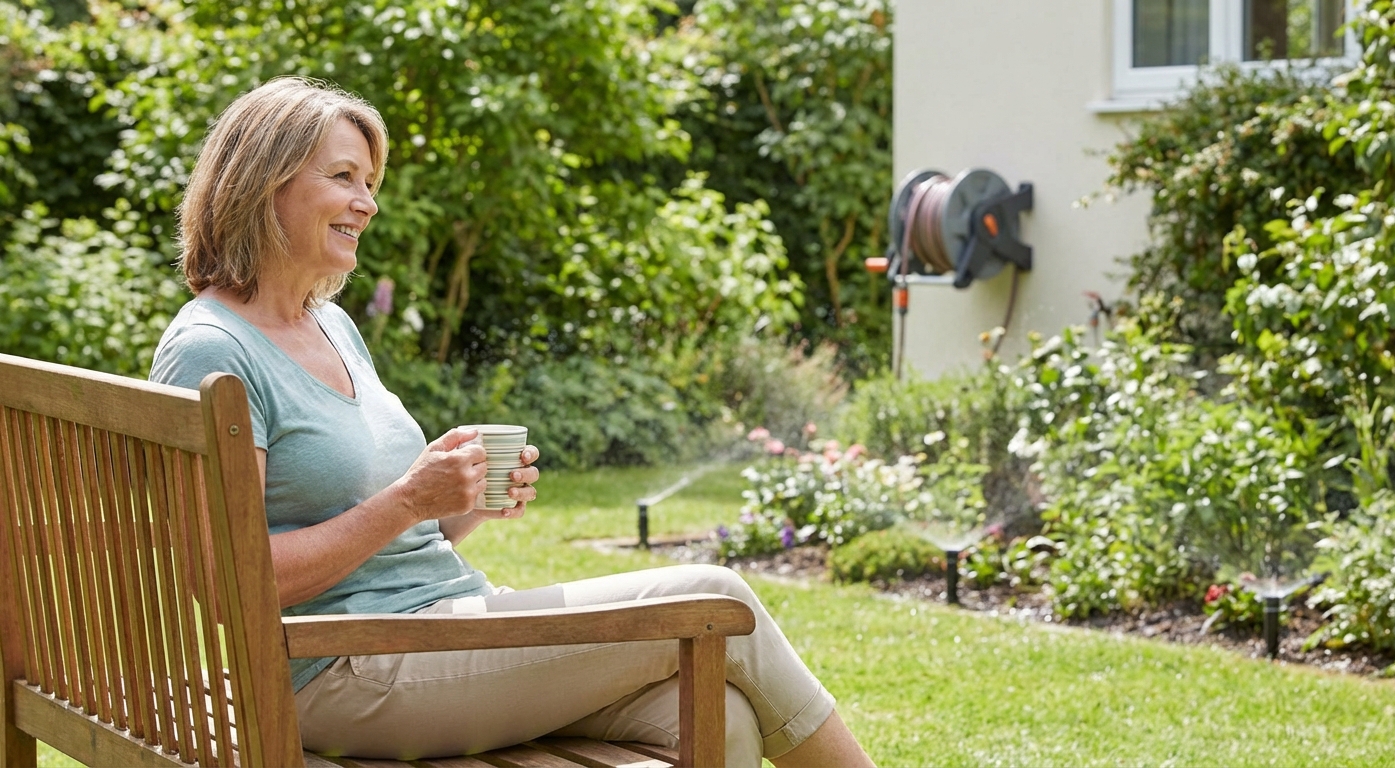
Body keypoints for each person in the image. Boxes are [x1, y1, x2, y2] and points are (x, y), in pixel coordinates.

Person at [149, 76, 875, 767]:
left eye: (370, 183)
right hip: (340, 669)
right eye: (343, 177)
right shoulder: (213, 347)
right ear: (263, 183)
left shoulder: (331, 325)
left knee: (717, 711)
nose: (365, 203)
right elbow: (226, 582)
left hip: (440, 629)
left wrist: (455, 502)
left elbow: (386, 533)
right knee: (715, 597)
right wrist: (407, 500)